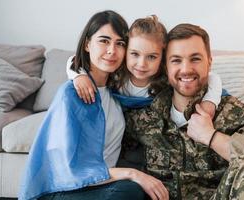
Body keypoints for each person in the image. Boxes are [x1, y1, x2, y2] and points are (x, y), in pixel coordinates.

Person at [122, 23, 244, 199]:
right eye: (176, 60)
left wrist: (212, 136)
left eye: (195, 59)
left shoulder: (234, 112)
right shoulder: (143, 115)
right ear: (165, 66)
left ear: (209, 61)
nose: (186, 69)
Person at [19, 10, 169, 200]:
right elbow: (69, 167)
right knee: (129, 191)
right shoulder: (72, 93)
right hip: (67, 188)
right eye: (104, 41)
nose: (111, 51)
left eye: (120, 44)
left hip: (103, 184)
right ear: (88, 44)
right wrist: (132, 174)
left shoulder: (117, 89)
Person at [67, 16, 223, 119]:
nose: (141, 64)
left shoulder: (165, 79)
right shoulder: (117, 73)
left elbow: (212, 77)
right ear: (125, 51)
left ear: (162, 58)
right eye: (135, 54)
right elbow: (75, 59)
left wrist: (210, 101)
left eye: (151, 57)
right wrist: (79, 75)